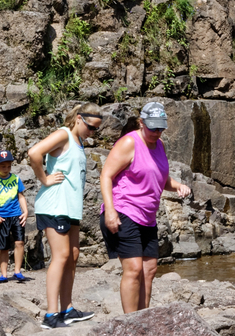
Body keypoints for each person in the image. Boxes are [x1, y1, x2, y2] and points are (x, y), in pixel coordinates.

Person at [100, 102, 191, 313]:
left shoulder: (160, 145)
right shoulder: (128, 143)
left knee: (149, 270)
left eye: (161, 128)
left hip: (147, 217)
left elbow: (159, 177)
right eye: (152, 127)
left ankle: (144, 319)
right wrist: (110, 211)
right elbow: (106, 175)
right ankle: (130, 324)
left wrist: (177, 185)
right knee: (133, 269)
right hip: (124, 210)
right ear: (141, 123)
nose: (157, 132)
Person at [28, 105, 103, 329]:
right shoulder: (64, 134)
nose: (92, 133)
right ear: (79, 119)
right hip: (55, 205)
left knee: (73, 255)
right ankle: (50, 315)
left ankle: (67, 309)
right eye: (91, 127)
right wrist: (44, 179)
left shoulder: (78, 141)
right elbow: (34, 153)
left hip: (70, 208)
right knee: (60, 256)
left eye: (96, 130)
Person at [0, 149, 29, 284]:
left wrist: (25, 211)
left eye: (9, 166)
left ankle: (18, 271)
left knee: (19, 242)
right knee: (4, 246)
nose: (6, 169)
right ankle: (3, 274)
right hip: (1, 217)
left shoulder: (16, 179)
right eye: (3, 166)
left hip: (16, 215)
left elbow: (21, 196)